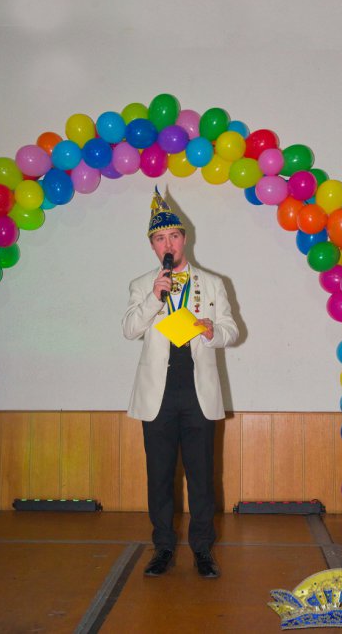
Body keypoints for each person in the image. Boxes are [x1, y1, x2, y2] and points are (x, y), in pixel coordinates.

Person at [122, 186, 239, 579]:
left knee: (202, 476)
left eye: (173, 236)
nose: (167, 244)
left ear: (184, 239)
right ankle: (163, 548)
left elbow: (232, 330)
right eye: (160, 239)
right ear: (153, 246)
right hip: (157, 393)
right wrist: (155, 298)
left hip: (197, 392)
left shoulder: (213, 283)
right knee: (159, 477)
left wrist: (211, 330)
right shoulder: (142, 284)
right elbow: (129, 329)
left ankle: (202, 549)